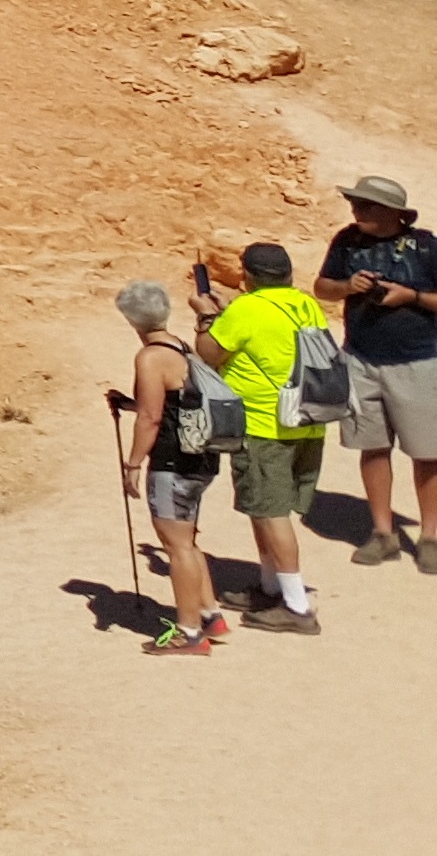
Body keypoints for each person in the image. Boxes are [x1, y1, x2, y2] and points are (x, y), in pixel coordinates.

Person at [203, 239, 333, 633]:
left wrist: (206, 319)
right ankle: (269, 586)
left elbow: (209, 352)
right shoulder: (306, 303)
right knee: (266, 508)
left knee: (271, 512)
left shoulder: (245, 309)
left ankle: (296, 606)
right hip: (307, 418)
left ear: (249, 275)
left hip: (264, 425)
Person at [313, 174, 437, 569]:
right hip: (362, 358)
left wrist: (411, 296)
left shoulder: (425, 247)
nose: (356, 211)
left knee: (429, 453)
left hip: (418, 360)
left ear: (394, 213)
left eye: (366, 205)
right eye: (355, 203)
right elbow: (321, 288)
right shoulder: (347, 241)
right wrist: (349, 286)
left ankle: (431, 537)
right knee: (373, 446)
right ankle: (382, 533)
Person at [116, 275, 229, 652]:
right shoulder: (181, 348)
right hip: (201, 460)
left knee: (176, 546)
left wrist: (133, 464)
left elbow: (149, 418)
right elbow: (171, 404)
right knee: (188, 540)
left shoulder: (150, 357)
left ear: (131, 320)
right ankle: (211, 614)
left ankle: (190, 632)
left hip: (172, 463)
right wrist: (126, 403)